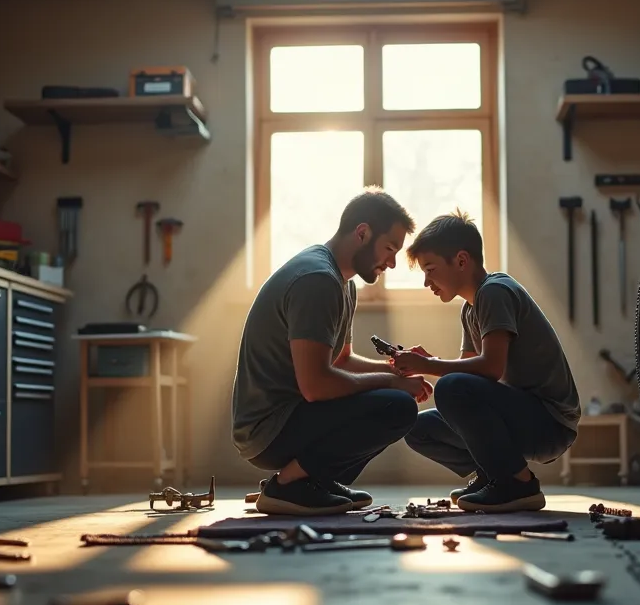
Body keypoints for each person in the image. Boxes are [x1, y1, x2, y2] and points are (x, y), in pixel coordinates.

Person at [232, 187, 432, 516]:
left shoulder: (343, 283)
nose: (393, 263)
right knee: (396, 408)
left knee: (393, 399)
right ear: (363, 233)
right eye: (389, 249)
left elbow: (341, 361)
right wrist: (391, 384)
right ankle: (289, 486)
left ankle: (315, 481)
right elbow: (317, 386)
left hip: (288, 415)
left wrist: (393, 369)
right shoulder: (318, 280)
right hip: (267, 429)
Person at [394, 210, 580, 512]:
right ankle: (494, 474)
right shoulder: (470, 309)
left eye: (430, 269)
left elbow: (489, 369)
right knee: (416, 427)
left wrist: (429, 366)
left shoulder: (494, 292)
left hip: (549, 422)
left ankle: (519, 484)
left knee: (450, 389)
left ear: (462, 261)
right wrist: (428, 361)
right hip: (517, 414)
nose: (427, 282)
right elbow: (472, 375)